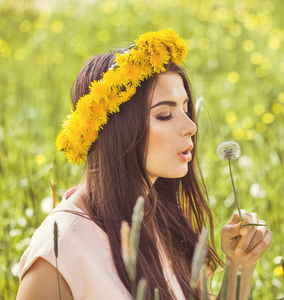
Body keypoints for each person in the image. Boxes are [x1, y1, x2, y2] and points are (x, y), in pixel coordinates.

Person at [16, 29, 271, 300]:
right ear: (117, 130)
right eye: (164, 115)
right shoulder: (58, 251)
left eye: (186, 109)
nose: (191, 127)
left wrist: (239, 265)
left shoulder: (165, 219)